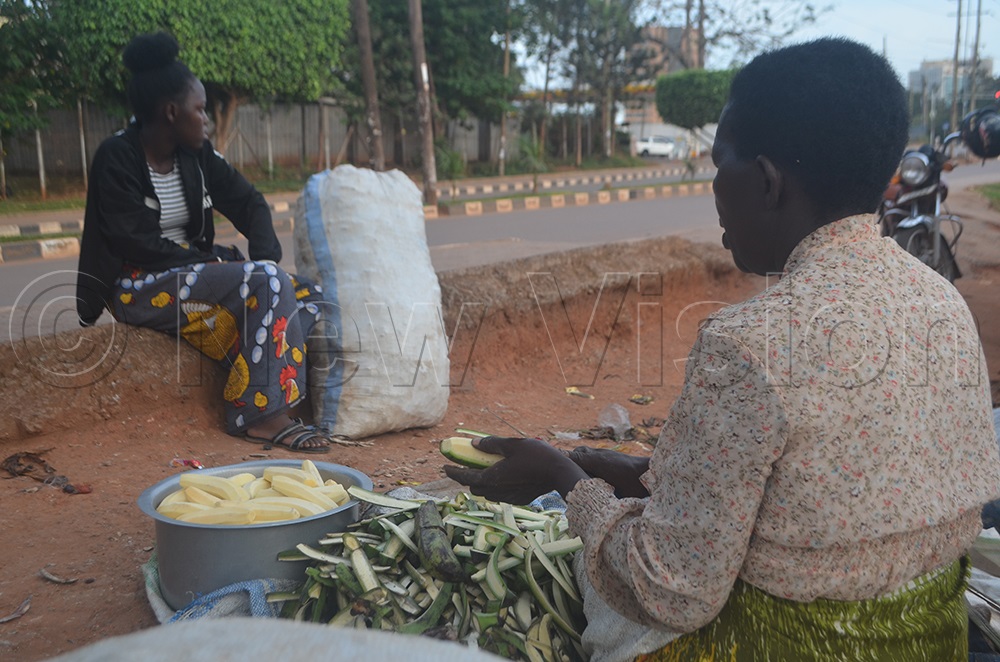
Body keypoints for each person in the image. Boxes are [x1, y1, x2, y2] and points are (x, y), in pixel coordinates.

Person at [445, 38, 1000, 660]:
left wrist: (562, 477)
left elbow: (671, 588)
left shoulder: (750, 345)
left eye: (719, 164)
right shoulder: (939, 299)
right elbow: (810, 495)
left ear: (766, 181)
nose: (713, 189)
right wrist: (633, 473)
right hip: (934, 641)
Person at [76, 32, 332, 453]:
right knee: (265, 283)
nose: (208, 120)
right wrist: (227, 267)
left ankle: (261, 384)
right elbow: (135, 242)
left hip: (192, 279)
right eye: (200, 110)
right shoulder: (116, 157)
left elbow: (249, 202)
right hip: (138, 284)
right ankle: (262, 416)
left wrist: (268, 260)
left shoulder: (196, 155)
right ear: (172, 112)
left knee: (308, 295)